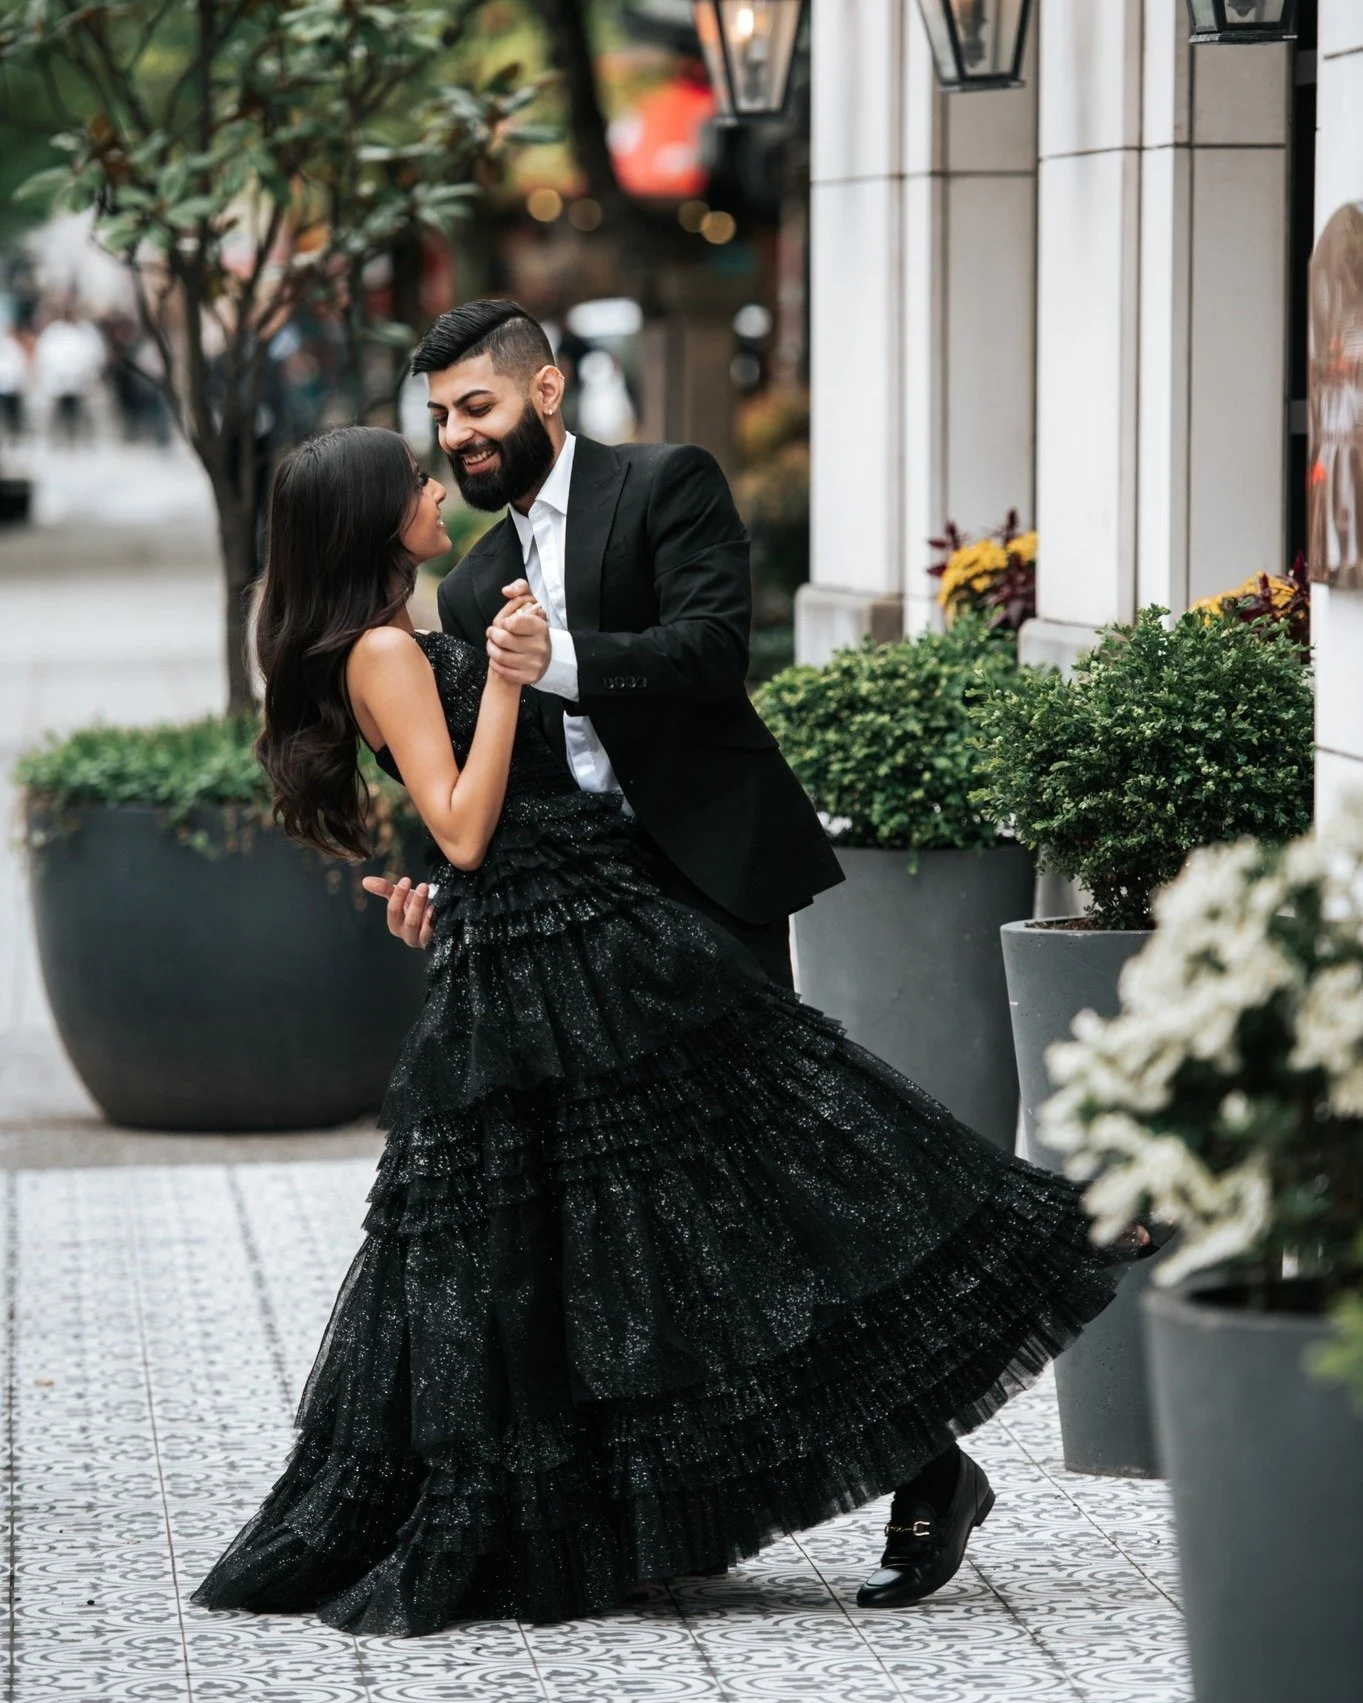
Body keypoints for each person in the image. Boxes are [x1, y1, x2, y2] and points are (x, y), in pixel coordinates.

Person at [191, 420, 1141, 1636]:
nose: (438, 483)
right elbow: (469, 820)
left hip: (591, 934)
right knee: (620, 1246)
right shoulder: (384, 647)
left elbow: (461, 831)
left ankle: (904, 1456)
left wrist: (449, 848)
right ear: (376, 515)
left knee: (711, 1209)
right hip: (543, 960)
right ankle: (849, 1476)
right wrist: (511, 693)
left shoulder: (426, 622)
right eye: (417, 476)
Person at [366, 297, 843, 990]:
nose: (455, 435)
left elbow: (711, 651)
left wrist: (555, 658)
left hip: (715, 875)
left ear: (547, 390)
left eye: (475, 407)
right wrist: (456, 896)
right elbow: (506, 774)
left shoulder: (667, 481)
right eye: (441, 417)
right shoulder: (468, 588)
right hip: (580, 906)